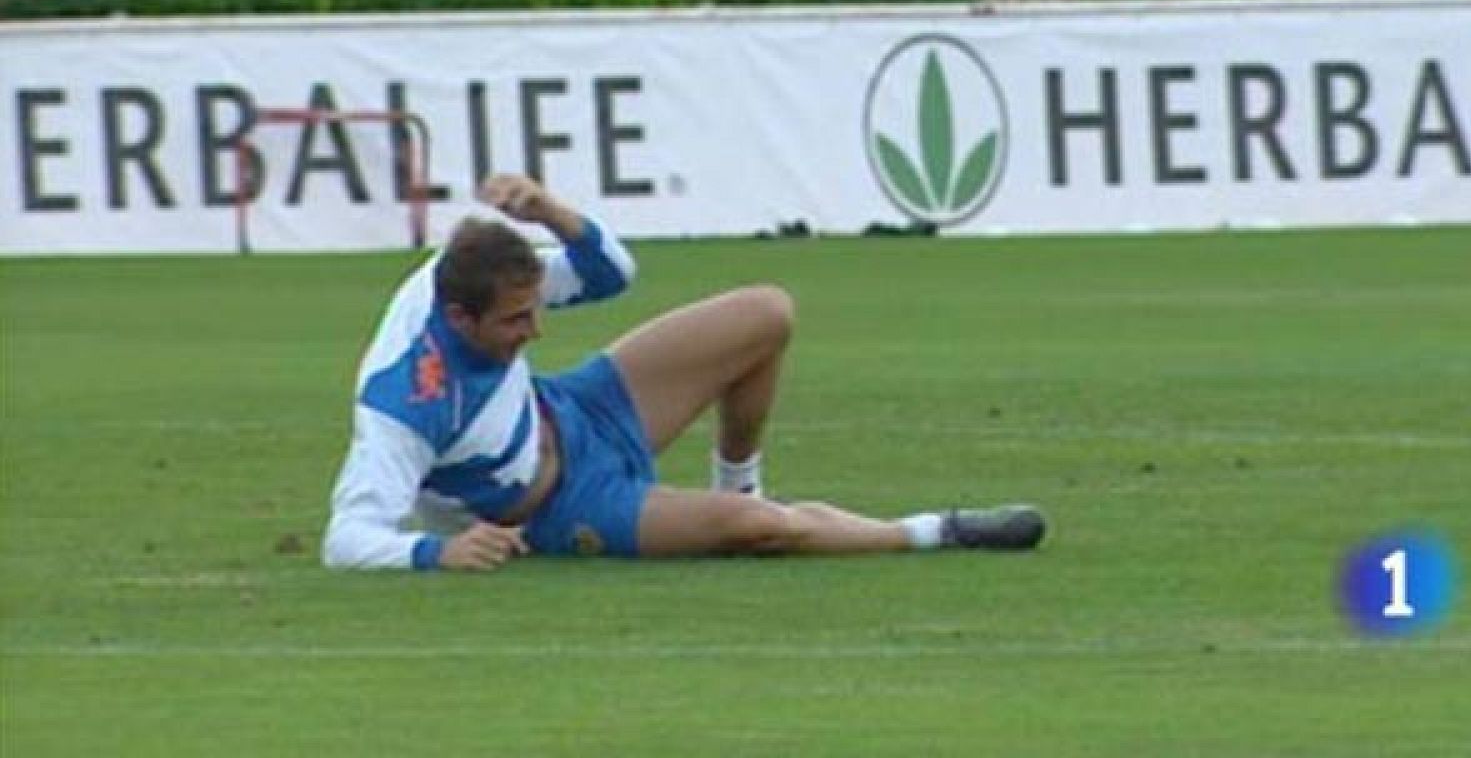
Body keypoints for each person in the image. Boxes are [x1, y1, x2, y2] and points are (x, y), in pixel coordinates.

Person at [322, 173, 1045, 571]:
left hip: (578, 410)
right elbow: (348, 537)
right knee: (761, 532)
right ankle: (934, 532)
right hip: (562, 506)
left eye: (534, 309)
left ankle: (738, 483)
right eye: (516, 322)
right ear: (459, 319)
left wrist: (551, 211)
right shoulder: (402, 402)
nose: (535, 327)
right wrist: (437, 551)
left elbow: (612, 275)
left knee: (766, 313)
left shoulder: (471, 275)